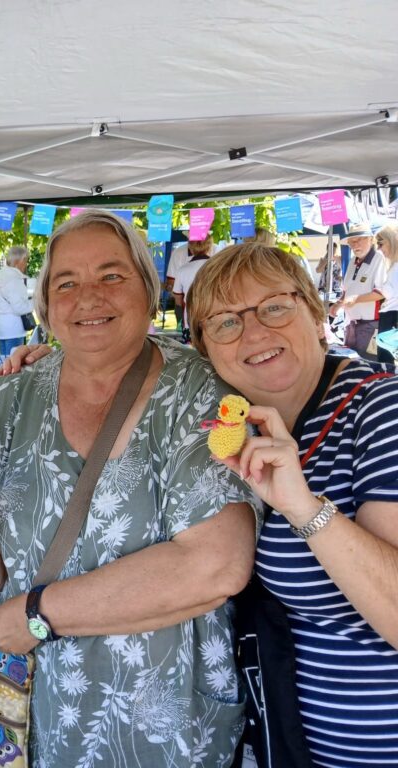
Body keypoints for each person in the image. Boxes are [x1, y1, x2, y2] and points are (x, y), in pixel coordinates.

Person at [0, 210, 257, 767]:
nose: (88, 298)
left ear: (149, 289)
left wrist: (39, 614)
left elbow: (214, 566)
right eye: (66, 283)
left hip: (167, 731)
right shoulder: (6, 402)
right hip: (39, 726)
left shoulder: (200, 394)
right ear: (46, 304)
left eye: (111, 276)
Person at [186, 242, 398, 766]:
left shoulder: (380, 409)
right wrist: (46, 366)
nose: (254, 332)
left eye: (274, 307)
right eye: (225, 322)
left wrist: (305, 508)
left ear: (315, 311)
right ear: (205, 349)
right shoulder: (234, 425)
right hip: (294, 743)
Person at [330, 222, 389, 360]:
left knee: (368, 366)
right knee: (351, 364)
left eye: (359, 240)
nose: (355, 245)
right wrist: (339, 304)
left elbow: (381, 292)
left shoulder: (379, 258)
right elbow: (347, 291)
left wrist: (355, 299)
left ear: (370, 239)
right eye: (351, 241)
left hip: (371, 327)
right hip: (351, 326)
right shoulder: (352, 261)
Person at [0, 245, 36, 357]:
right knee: (14, 366)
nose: (25, 264)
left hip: (1, 327)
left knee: (5, 364)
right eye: (25, 261)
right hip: (13, 328)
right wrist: (36, 302)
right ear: (18, 261)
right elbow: (19, 308)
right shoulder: (14, 279)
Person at [171, 234, 214, 343]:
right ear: (209, 247)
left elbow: (178, 299)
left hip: (191, 320)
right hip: (214, 317)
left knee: (193, 353)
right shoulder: (217, 267)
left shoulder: (182, 270)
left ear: (190, 248)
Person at [376, 224, 398, 364]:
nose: (378, 248)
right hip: (388, 319)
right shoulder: (393, 266)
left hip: (392, 320)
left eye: (380, 243)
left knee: (386, 367)